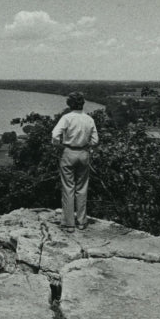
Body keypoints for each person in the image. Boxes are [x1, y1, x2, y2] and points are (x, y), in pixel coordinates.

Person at [51, 91, 98, 232]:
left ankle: (69, 223)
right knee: (82, 188)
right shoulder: (89, 119)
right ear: (82, 103)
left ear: (69, 104)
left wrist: (59, 145)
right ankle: (82, 221)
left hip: (69, 152)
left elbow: (55, 135)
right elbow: (95, 141)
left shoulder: (67, 118)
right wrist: (86, 145)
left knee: (68, 187)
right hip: (83, 153)